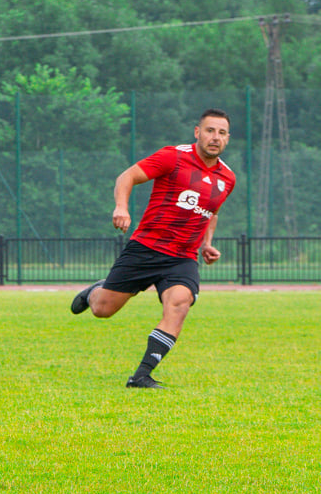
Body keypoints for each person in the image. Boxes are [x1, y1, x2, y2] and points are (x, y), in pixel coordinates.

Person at [70, 108, 236, 389]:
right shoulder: (174, 156)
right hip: (146, 248)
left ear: (228, 138)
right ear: (197, 132)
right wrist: (121, 206)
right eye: (209, 130)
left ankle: (141, 376)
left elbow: (212, 211)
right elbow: (127, 176)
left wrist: (207, 244)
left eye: (221, 133)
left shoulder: (227, 178)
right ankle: (95, 291)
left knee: (180, 302)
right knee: (103, 310)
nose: (215, 137)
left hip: (182, 257)